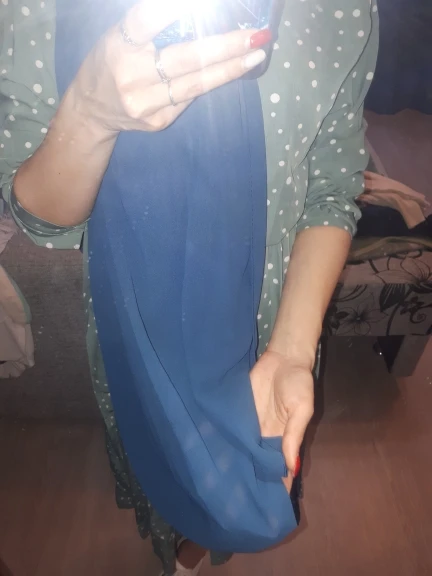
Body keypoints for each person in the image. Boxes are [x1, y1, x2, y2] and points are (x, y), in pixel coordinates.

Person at [0, 0, 378, 574]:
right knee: (159, 463)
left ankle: (196, 553)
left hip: (278, 321)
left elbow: (331, 189)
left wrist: (292, 351)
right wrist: (91, 113)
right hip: (138, 325)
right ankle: (170, 545)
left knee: (240, 481)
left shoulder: (342, 9)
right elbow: (43, 222)